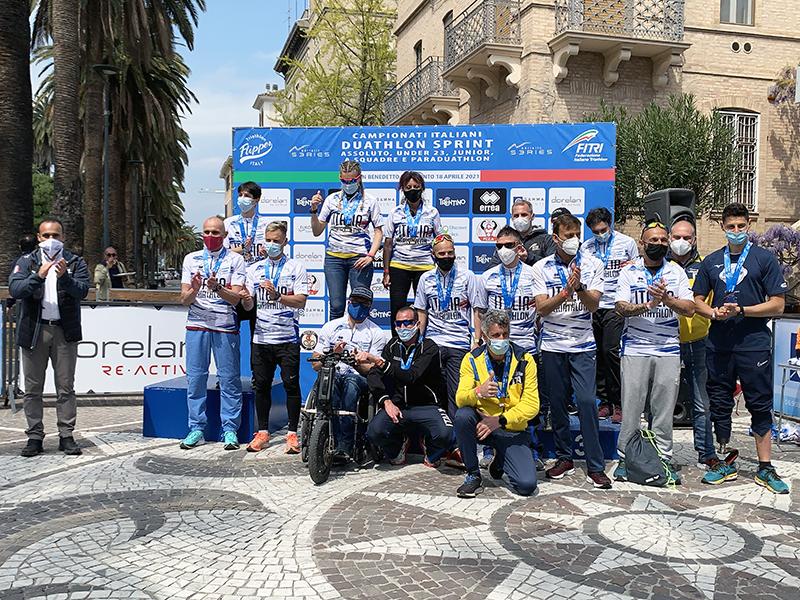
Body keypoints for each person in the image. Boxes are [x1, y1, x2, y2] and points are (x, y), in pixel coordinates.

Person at [692, 203, 790, 494]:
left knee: (759, 404)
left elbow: (779, 304)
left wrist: (743, 310)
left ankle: (765, 466)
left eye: (741, 226)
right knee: (720, 403)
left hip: (753, 345)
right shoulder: (711, 261)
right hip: (719, 344)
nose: (736, 231)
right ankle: (723, 459)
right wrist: (712, 313)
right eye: (731, 227)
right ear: (723, 228)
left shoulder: (764, 259)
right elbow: (697, 298)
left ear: (749, 226)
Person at [531, 213, 612, 489]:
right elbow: (541, 308)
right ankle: (564, 457)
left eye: (577, 235)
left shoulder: (592, 264)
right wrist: (565, 292)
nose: (574, 241)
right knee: (557, 403)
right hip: (552, 345)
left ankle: (595, 465)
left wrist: (579, 288)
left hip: (583, 345)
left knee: (588, 402)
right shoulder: (540, 267)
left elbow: (593, 306)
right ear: (555, 238)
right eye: (568, 236)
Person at [613, 221, 696, 483]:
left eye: (663, 240)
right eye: (653, 240)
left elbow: (690, 308)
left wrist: (667, 300)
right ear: (641, 242)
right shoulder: (629, 271)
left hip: (668, 349)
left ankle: (664, 459)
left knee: (663, 410)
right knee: (631, 408)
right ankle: (626, 459)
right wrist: (649, 304)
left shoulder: (676, 272)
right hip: (635, 347)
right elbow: (620, 308)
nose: (659, 244)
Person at [9, 218, 90, 457]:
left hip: (64, 331)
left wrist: (65, 277)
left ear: (63, 237)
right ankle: (35, 436)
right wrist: (38, 276)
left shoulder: (75, 261)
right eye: (46, 236)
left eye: (56, 235)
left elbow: (83, 290)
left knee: (65, 387)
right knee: (33, 388)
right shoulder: (27, 261)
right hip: (35, 331)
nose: (51, 240)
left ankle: (66, 435)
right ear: (38, 237)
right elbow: (16, 289)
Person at [453, 309, 540, 498]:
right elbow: (460, 398)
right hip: (482, 424)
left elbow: (532, 404)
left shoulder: (525, 359)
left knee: (526, 486)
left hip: (510, 427)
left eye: (505, 334)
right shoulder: (472, 359)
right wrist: (479, 392)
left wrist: (500, 420)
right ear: (484, 336)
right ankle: (473, 476)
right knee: (462, 416)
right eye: (496, 335)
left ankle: (500, 460)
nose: (501, 339)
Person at [239, 221, 308, 454]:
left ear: (285, 241)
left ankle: (292, 434)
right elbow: (248, 303)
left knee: (291, 385)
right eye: (268, 240)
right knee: (261, 386)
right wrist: (246, 299)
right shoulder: (253, 270)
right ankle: (263, 433)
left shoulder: (296, 267)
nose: (271, 244)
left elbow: (301, 300)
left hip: (287, 338)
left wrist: (278, 296)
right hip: (261, 338)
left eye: (276, 241)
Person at [179, 216, 247, 451]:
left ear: (225, 235)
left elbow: (236, 297)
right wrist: (196, 289)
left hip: (224, 325)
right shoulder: (191, 259)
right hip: (197, 324)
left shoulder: (235, 260)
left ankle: (230, 429)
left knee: (229, 379)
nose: (210, 236)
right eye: (206, 232)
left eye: (215, 233)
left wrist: (217, 287)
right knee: (195, 378)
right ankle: (196, 427)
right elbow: (184, 299)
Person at [476, 225, 538, 467]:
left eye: (509, 245)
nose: (503, 250)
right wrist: (479, 339)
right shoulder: (488, 276)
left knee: (527, 400)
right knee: (493, 398)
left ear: (520, 247)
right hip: (496, 348)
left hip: (526, 346)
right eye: (499, 246)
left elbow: (540, 311)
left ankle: (531, 449)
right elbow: (480, 311)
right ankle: (491, 447)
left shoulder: (534, 274)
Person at [364, 306, 455, 466]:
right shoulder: (392, 346)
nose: (403, 328)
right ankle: (397, 446)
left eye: (408, 323)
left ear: (417, 323)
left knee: (446, 434)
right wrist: (386, 401)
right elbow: (373, 375)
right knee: (374, 432)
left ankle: (431, 451)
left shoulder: (429, 347)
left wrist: (381, 363)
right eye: (399, 324)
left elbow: (412, 376)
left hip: (427, 406)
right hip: (398, 407)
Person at [313, 286, 386, 462]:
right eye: (356, 302)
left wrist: (358, 362)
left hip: (358, 378)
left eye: (364, 303)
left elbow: (374, 369)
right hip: (333, 373)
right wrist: (333, 354)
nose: (359, 306)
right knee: (330, 379)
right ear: (349, 302)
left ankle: (344, 445)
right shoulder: (331, 327)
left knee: (350, 383)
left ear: (370, 307)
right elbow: (315, 363)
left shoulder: (376, 332)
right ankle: (322, 435)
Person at [581, 207, 639, 424]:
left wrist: (634, 265)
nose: (600, 234)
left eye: (603, 229)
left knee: (611, 351)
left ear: (610, 224)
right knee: (597, 354)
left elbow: (638, 269)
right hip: (594, 305)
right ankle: (604, 402)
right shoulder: (586, 247)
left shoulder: (627, 243)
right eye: (595, 231)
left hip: (616, 304)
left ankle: (620, 403)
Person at [414, 234, 482, 419]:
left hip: (458, 343)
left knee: (456, 393)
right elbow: (421, 312)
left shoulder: (468, 276)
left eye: (450, 253)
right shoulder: (425, 278)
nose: (446, 257)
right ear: (433, 255)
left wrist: (476, 340)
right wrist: (418, 342)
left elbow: (477, 310)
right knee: (431, 391)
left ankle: (456, 441)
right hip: (433, 342)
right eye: (441, 253)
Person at [668, 218, 717, 469]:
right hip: (668, 342)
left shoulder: (706, 267)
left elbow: (708, 302)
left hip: (699, 341)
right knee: (662, 401)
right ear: (669, 239)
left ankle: (706, 452)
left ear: (695, 240)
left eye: (686, 238)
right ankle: (660, 453)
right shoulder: (662, 266)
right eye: (676, 237)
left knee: (701, 401)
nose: (681, 242)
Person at [310, 160, 384, 320]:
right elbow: (317, 231)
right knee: (336, 306)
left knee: (359, 304)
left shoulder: (370, 201)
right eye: (344, 181)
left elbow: (379, 231)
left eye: (352, 181)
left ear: (359, 178)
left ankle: (359, 343)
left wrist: (371, 255)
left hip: (359, 258)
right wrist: (314, 211)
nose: (348, 184)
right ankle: (334, 342)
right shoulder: (331, 199)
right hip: (334, 259)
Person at [382, 171, 442, 330]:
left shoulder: (432, 212)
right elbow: (388, 244)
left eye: (416, 186)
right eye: (408, 187)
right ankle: (396, 344)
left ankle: (423, 343)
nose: (412, 190)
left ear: (422, 188)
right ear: (402, 189)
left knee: (423, 308)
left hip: (425, 267)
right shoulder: (396, 213)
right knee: (397, 308)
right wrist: (386, 271)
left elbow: (439, 240)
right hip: (399, 266)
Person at [487, 198, 555, 268]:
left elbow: (552, 266)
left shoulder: (547, 239)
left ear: (532, 216)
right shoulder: (507, 241)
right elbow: (492, 268)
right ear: (512, 218)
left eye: (524, 215)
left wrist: (528, 258)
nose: (520, 219)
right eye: (516, 216)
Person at [224, 181, 267, 265]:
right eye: (240, 195)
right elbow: (223, 252)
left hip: (258, 273)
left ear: (256, 200)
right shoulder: (228, 223)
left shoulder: (266, 224)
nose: (242, 198)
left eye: (247, 196)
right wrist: (243, 248)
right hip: (235, 271)